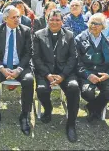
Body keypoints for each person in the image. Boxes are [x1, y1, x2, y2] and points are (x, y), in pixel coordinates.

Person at [0, 5, 34, 135]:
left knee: (29, 80)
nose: (17, 19)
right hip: (2, 65)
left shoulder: (26, 30)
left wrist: (19, 69)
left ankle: (24, 115)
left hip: (20, 65)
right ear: (6, 19)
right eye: (14, 17)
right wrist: (1, 68)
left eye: (18, 16)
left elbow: (28, 53)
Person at [33, 9, 80, 142]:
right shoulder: (38, 35)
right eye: (52, 20)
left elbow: (73, 57)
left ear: (62, 21)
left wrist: (63, 75)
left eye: (57, 20)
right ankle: (48, 109)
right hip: (45, 72)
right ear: (47, 21)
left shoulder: (70, 35)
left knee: (74, 88)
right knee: (42, 89)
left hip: (65, 72)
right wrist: (47, 74)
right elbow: (36, 58)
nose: (54, 22)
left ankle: (71, 124)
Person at [75, 13, 109, 123]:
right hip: (86, 74)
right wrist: (88, 75)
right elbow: (76, 62)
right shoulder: (79, 39)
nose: (94, 26)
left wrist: (108, 74)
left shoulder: (108, 42)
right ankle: (95, 110)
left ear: (103, 26)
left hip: (103, 75)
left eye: (97, 24)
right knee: (87, 92)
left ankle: (92, 108)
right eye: (92, 23)